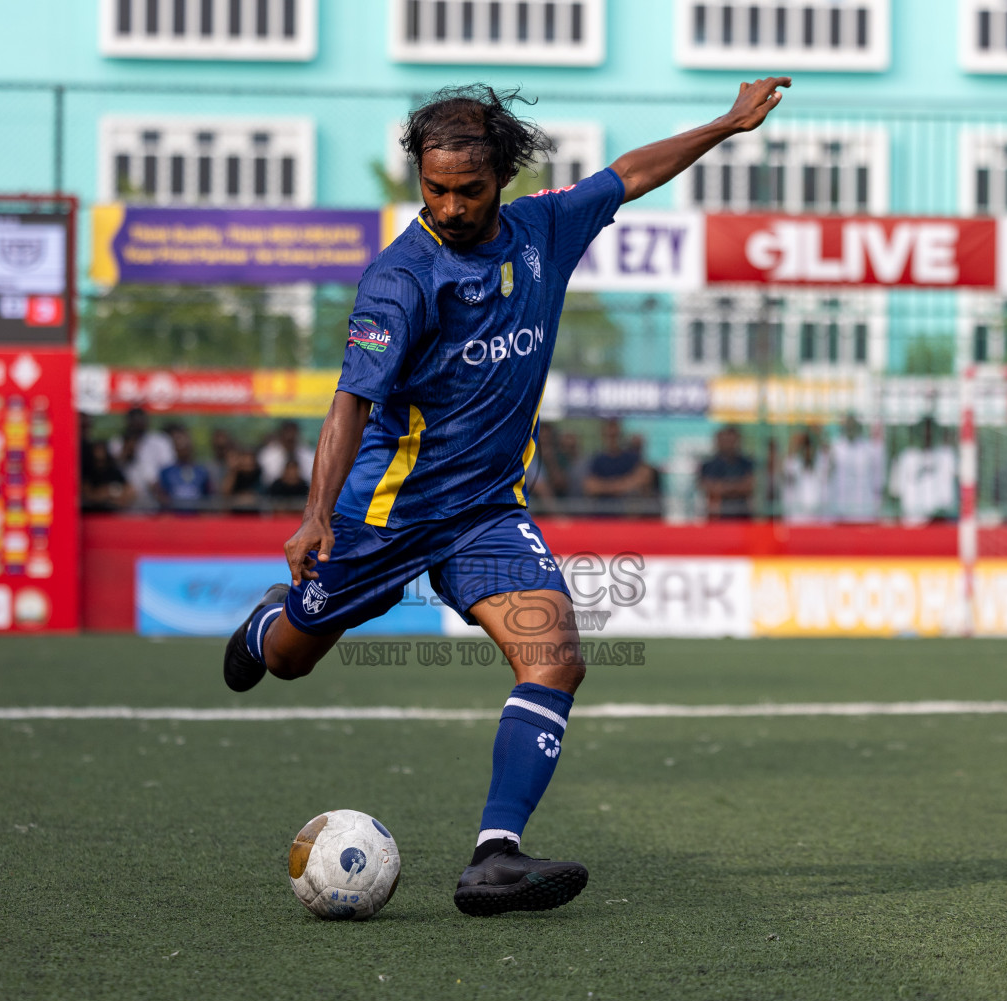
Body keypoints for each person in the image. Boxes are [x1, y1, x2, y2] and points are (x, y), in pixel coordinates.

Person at [220, 78, 791, 915]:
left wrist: (726, 125)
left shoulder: (544, 229)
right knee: (289, 660)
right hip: (385, 515)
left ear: (504, 181)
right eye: (434, 188)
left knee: (556, 654)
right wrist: (316, 514)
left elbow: (630, 174)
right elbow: (351, 401)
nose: (449, 207)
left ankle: (495, 855)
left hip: (485, 512)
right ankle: (273, 619)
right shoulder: (400, 280)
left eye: (468, 190)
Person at [888, 416, 957, 527]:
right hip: (913, 524)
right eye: (924, 431)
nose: (927, 435)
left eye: (930, 432)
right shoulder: (905, 458)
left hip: (941, 522)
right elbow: (895, 494)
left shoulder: (947, 456)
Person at [109, 407, 176, 510]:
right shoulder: (117, 443)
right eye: (134, 420)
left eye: (140, 419)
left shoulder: (160, 441)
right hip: (124, 500)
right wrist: (126, 453)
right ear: (127, 422)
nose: (137, 424)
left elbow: (169, 469)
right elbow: (110, 470)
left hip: (155, 498)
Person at [582, 419, 655, 507]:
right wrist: (622, 486)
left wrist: (605, 486)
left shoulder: (631, 458)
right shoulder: (596, 459)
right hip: (602, 513)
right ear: (603, 436)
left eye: (614, 435)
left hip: (627, 514)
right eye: (609, 435)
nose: (612, 439)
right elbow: (590, 487)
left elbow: (643, 478)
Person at [828, 415, 885, 521]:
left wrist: (877, 503)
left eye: (853, 426)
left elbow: (877, 478)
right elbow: (828, 477)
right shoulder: (836, 448)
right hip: (841, 510)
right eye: (848, 426)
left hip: (864, 510)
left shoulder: (868, 448)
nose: (850, 428)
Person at [697, 425, 755, 518]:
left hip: (743, 515)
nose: (728, 444)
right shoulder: (709, 465)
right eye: (725, 440)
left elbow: (750, 485)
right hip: (717, 516)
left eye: (731, 441)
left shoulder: (747, 463)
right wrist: (736, 487)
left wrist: (723, 487)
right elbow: (709, 487)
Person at [154, 428, 212, 513]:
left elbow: (209, 497)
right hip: (174, 520)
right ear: (175, 448)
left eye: (186, 444)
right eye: (179, 444)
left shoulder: (202, 471)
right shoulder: (166, 472)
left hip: (196, 520)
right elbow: (161, 496)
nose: (183, 448)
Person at [781, 428, 829, 523]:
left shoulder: (820, 468)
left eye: (811, 449)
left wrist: (818, 437)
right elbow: (784, 470)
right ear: (801, 450)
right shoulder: (793, 466)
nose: (808, 453)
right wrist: (796, 441)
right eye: (805, 449)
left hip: (817, 522)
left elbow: (829, 457)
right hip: (797, 521)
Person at [258, 420, 315, 486]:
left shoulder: (309, 454)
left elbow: (310, 479)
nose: (290, 437)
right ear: (281, 435)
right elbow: (266, 479)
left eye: (293, 434)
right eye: (287, 433)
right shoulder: (267, 454)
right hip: (273, 492)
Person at [81, 440, 133, 511]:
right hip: (92, 513)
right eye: (97, 449)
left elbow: (130, 490)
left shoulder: (113, 470)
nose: (99, 452)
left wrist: (114, 494)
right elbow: (88, 495)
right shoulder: (88, 472)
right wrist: (104, 493)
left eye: (102, 449)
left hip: (113, 513)